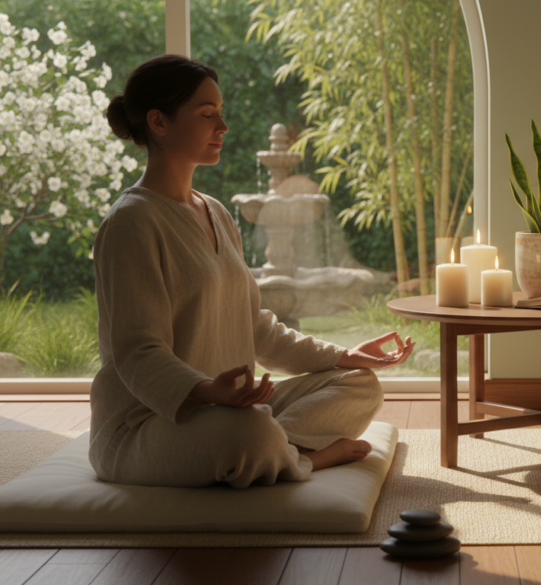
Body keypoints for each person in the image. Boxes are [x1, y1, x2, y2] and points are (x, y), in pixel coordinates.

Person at [91, 54, 415, 489]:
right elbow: (137, 353)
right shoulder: (131, 223)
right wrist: (208, 392)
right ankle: (307, 460)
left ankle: (278, 447)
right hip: (147, 425)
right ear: (159, 122)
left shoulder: (217, 212)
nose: (222, 127)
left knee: (360, 384)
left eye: (221, 114)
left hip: (230, 410)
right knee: (250, 434)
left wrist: (343, 355)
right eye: (208, 115)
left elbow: (256, 329)